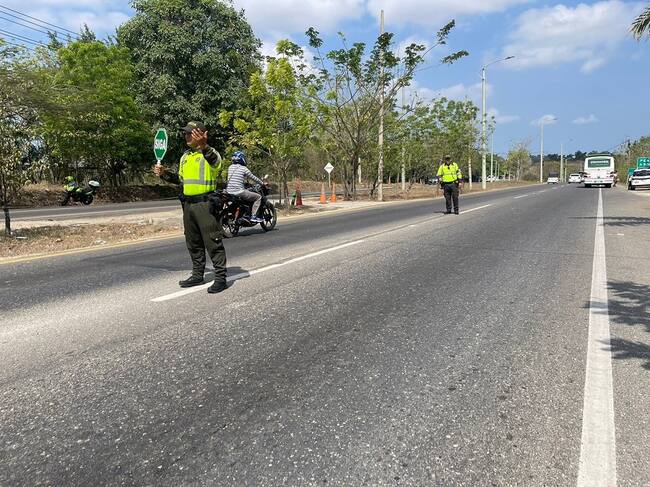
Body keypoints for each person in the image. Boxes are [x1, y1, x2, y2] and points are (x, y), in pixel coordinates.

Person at [154, 121, 228, 294]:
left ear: (202, 134)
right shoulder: (185, 157)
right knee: (193, 242)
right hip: (188, 205)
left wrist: (204, 146)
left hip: (205, 205)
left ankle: (221, 278)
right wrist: (164, 174)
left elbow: (216, 163)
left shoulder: (210, 153)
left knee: (213, 241)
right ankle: (197, 275)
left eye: (190, 133)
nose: (186, 136)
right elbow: (180, 180)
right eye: (185, 133)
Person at [226, 150, 265, 223]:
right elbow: (253, 177)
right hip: (239, 192)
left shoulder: (230, 167)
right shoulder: (243, 168)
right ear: (241, 159)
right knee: (258, 197)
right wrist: (262, 183)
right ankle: (253, 216)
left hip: (229, 192)